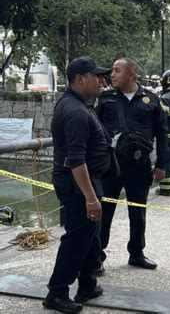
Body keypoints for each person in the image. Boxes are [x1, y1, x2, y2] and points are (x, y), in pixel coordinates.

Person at [44, 56, 111, 312]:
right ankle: (57, 293)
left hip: (87, 182)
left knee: (91, 235)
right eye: (97, 77)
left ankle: (87, 284)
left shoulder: (81, 104)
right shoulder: (74, 111)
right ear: (80, 79)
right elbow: (76, 160)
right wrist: (90, 197)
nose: (102, 82)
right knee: (77, 239)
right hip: (78, 185)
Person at [97, 57, 168, 272]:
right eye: (113, 71)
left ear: (132, 73)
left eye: (118, 71)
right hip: (111, 166)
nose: (113, 75)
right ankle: (97, 257)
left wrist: (161, 165)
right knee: (105, 210)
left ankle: (136, 253)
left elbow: (162, 134)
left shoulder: (151, 99)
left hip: (139, 167)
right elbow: (95, 128)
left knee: (138, 212)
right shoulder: (106, 98)